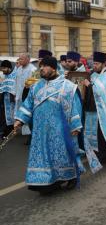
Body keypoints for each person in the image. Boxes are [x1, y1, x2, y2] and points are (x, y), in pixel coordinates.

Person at [14, 56, 84, 194]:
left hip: (59, 130)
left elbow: (74, 107)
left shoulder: (67, 86)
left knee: (62, 156)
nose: (41, 69)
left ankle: (72, 177)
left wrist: (75, 126)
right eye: (40, 66)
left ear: (53, 68)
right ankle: (47, 183)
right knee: (43, 157)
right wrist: (20, 120)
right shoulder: (36, 86)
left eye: (44, 66)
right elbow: (27, 105)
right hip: (40, 131)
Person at [0, 60, 16, 138]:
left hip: (12, 98)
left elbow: (14, 87)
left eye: (4, 68)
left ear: (9, 68)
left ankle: (11, 130)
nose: (2, 70)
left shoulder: (14, 75)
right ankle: (8, 130)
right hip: (5, 99)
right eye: (2, 68)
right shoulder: (4, 76)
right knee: (6, 115)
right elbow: (3, 86)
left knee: (12, 114)